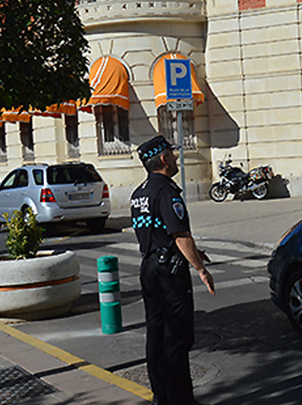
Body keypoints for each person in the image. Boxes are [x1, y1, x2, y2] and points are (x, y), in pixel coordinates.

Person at [130, 136, 215, 405]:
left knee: (155, 336)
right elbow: (179, 235)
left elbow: (156, 232)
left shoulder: (139, 193)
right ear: (163, 159)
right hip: (169, 274)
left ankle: (161, 397)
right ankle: (181, 400)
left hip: (150, 268)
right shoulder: (167, 191)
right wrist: (200, 268)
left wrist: (193, 254)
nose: (176, 158)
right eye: (172, 154)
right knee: (177, 338)